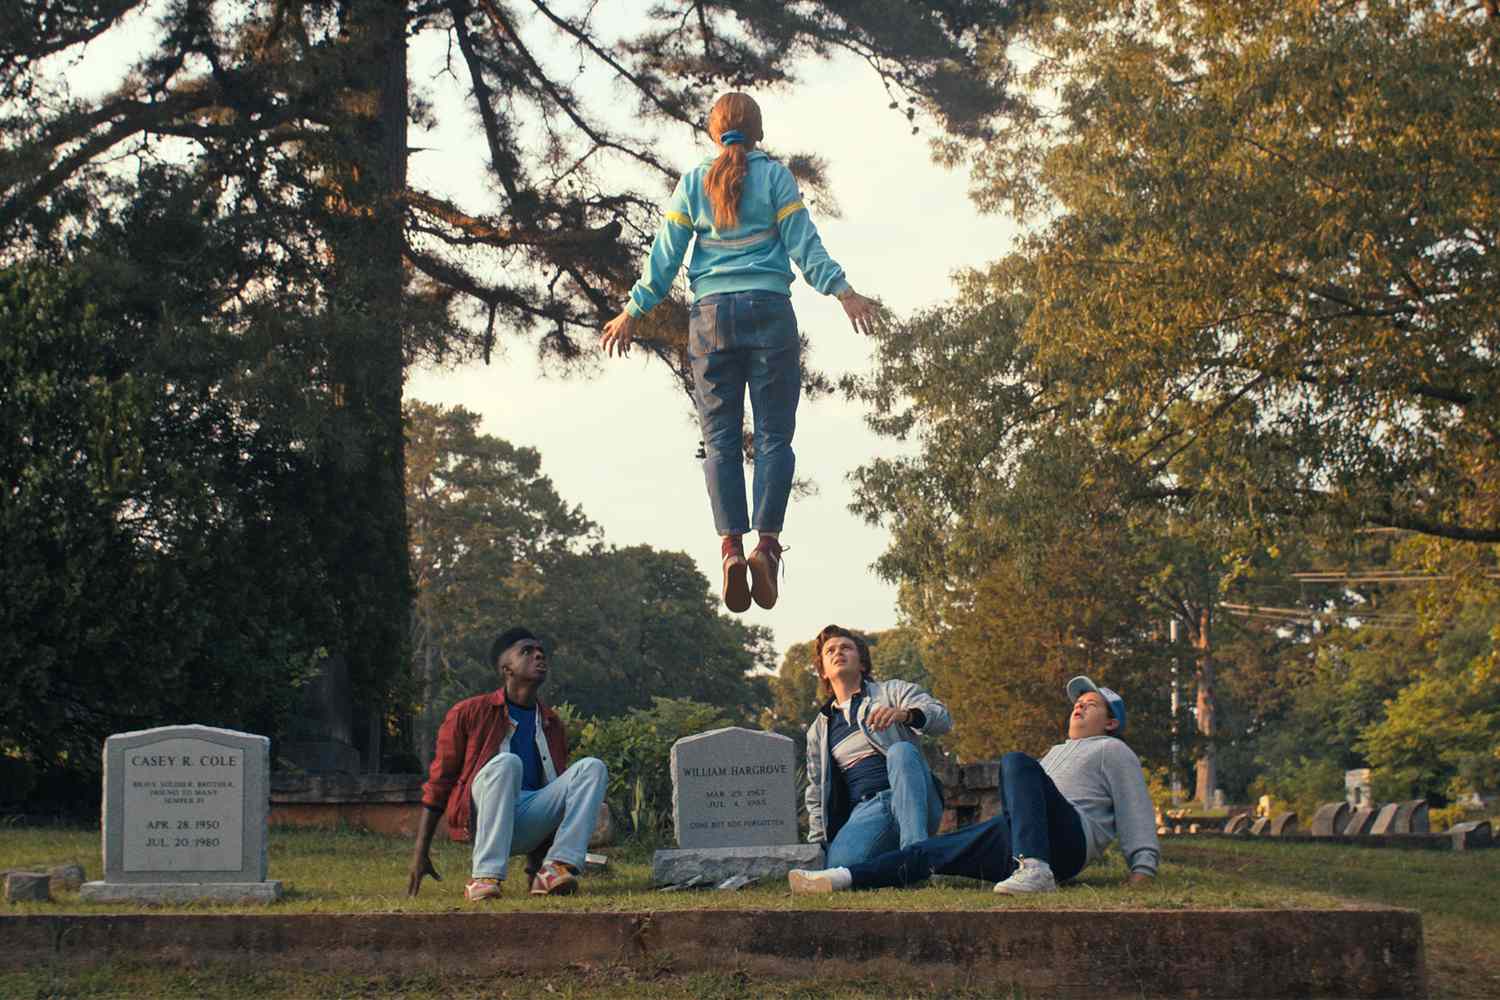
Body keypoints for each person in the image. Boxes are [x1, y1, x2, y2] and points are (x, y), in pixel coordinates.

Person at [599, 92, 883, 613]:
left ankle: (730, 548)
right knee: (775, 436)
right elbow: (804, 244)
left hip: (710, 319)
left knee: (720, 440)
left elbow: (663, 261)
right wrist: (844, 292)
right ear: (758, 132)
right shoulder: (775, 178)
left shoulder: (692, 183)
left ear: (714, 132)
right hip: (770, 311)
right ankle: (767, 548)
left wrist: (632, 312)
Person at [789, 676, 1159, 895]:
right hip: (1020, 839)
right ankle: (839, 878)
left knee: (1015, 761)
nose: (1078, 706)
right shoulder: (1054, 753)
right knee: (928, 852)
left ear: (1111, 723)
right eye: (1077, 702)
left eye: (1090, 704)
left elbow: (1134, 807)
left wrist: (1142, 869)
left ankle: (1035, 869)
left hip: (1068, 841)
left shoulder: (1113, 750)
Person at [406, 627, 608, 901]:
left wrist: (533, 867)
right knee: (507, 763)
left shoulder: (551, 723)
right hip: (484, 818)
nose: (539, 656)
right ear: (506, 669)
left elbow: (549, 788)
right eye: (527, 651)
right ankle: (484, 877)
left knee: (592, 767)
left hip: (528, 822)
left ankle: (555, 869)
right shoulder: (469, 712)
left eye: (541, 652)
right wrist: (421, 852)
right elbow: (440, 782)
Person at [804, 625, 951, 868]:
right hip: (868, 809)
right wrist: (818, 845)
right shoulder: (819, 730)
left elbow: (942, 719)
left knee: (900, 751)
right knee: (840, 865)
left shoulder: (892, 691)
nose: (838, 652)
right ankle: (896, 863)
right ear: (823, 672)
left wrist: (904, 715)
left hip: (914, 796)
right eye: (830, 650)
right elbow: (816, 791)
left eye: (846, 647)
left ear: (861, 664)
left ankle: (916, 858)